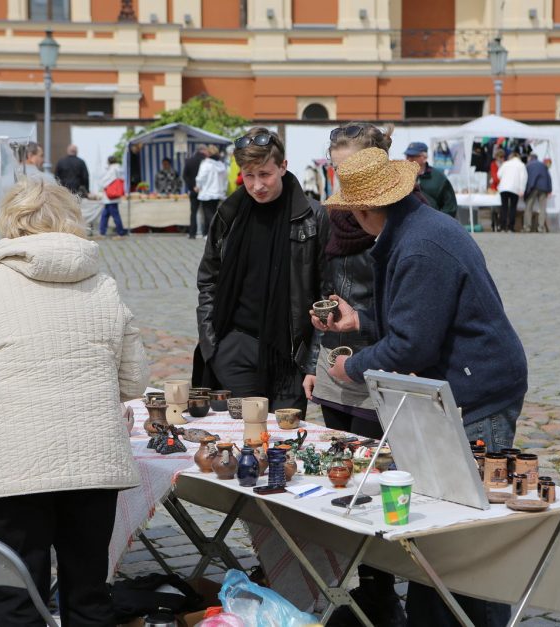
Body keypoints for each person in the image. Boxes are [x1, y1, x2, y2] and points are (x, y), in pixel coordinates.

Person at [315, 147, 528, 627]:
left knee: (467, 529)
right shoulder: (413, 231)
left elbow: (411, 345)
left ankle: (476, 619)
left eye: (352, 213)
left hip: (480, 389)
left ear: (369, 210)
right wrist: (360, 321)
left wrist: (353, 368)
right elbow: (416, 319)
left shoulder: (419, 244)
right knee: (441, 520)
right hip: (463, 384)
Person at [0, 177, 148, 627]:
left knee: (15, 601)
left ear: (9, 225)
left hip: (13, 461)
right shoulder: (103, 286)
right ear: (72, 222)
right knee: (89, 596)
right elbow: (134, 380)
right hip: (93, 461)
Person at [303, 122, 407, 627]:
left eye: (347, 170)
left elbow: (404, 312)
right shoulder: (332, 218)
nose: (339, 181)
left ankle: (383, 591)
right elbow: (319, 286)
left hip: (379, 362)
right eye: (334, 169)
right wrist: (312, 358)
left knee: (377, 476)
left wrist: (361, 326)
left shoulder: (392, 223)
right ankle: (354, 581)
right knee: (340, 475)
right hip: (333, 361)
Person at [194, 127, 329, 417]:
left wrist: (314, 361)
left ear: (283, 166)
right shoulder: (228, 214)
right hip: (234, 349)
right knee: (242, 441)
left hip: (289, 356)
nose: (257, 186)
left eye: (265, 174)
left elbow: (326, 295)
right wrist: (213, 345)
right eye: (249, 175)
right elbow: (208, 280)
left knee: (283, 448)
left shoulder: (313, 217)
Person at [404, 141, 458, 219]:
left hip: (433, 223)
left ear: (424, 158)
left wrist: (440, 222)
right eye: (407, 156)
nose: (408, 159)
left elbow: (450, 206)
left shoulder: (439, 178)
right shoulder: (402, 177)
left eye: (412, 156)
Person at [194, 145, 228, 237]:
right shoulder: (221, 165)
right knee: (213, 213)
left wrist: (198, 186)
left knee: (208, 214)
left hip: (207, 192)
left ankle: (212, 234)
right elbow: (225, 179)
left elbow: (201, 177)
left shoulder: (206, 164)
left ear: (208, 153)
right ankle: (210, 233)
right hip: (217, 193)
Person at [99, 154, 129, 238]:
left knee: (114, 215)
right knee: (106, 214)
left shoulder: (112, 169)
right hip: (113, 197)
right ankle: (102, 232)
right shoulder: (118, 169)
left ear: (108, 161)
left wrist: (101, 184)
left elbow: (105, 181)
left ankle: (120, 232)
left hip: (110, 197)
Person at [497, 151, 527, 232]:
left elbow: (499, 175)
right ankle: (510, 227)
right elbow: (523, 178)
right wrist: (522, 190)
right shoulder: (521, 165)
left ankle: (502, 226)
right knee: (513, 208)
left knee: (504, 207)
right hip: (515, 188)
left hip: (504, 188)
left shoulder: (505, 163)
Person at [183, 144, 209, 239]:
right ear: (202, 151)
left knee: (193, 212)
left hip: (193, 190)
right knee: (206, 212)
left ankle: (192, 233)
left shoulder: (189, 161)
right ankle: (205, 233)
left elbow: (185, 176)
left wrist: (191, 187)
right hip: (205, 190)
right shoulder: (207, 161)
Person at [523, 153, 552, 233]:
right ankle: (541, 227)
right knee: (542, 208)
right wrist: (550, 190)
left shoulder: (528, 166)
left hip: (533, 187)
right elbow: (548, 177)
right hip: (544, 188)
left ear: (530, 158)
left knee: (529, 207)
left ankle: (527, 227)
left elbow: (526, 178)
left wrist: (526, 191)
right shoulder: (543, 165)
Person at [489, 148, 505, 230]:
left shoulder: (505, 164)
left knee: (501, 208)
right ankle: (493, 224)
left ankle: (499, 224)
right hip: (494, 188)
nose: (501, 158)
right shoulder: (493, 164)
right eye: (500, 157)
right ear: (496, 157)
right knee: (493, 208)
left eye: (502, 157)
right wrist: (500, 179)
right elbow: (494, 176)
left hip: (502, 188)